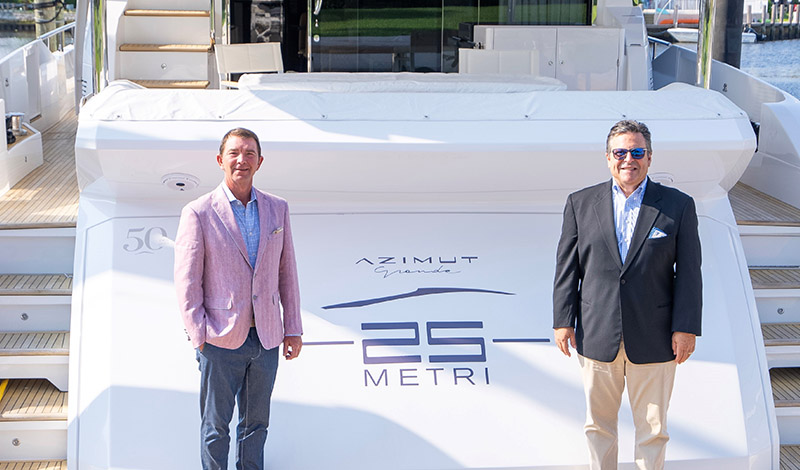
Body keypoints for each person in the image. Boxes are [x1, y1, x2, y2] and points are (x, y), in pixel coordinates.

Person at [552, 120, 702, 470]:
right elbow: (567, 267)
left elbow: (689, 273)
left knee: (653, 430)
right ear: (608, 157)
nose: (628, 160)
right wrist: (563, 320)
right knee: (598, 427)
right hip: (597, 331)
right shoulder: (580, 203)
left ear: (649, 157)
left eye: (637, 152)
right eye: (620, 152)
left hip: (656, 336)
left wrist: (686, 327)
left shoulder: (678, 206)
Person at [174, 127, 303, 470]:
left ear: (259, 162)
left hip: (267, 338)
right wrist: (199, 334)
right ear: (220, 160)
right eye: (234, 153)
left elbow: (287, 272)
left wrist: (292, 328)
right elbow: (187, 280)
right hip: (219, 339)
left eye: (249, 154)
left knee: (256, 426)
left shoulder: (278, 209)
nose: (241, 160)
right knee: (215, 428)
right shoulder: (198, 212)